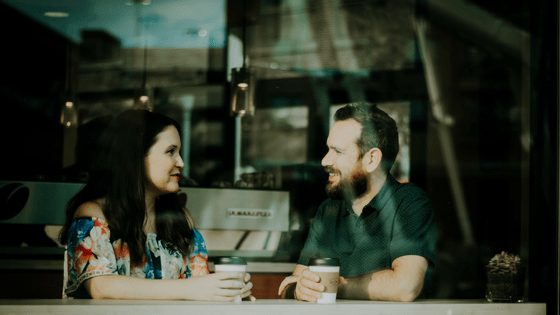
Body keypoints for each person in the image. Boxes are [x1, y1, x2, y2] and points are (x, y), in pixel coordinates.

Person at [59, 109, 254, 301]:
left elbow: (200, 288)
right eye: (171, 152)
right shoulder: (94, 215)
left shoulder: (180, 220)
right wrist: (189, 289)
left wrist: (226, 290)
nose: (181, 162)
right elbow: (100, 286)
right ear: (135, 158)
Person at [278, 102, 437, 302]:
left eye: (338, 151)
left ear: (371, 160)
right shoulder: (328, 210)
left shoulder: (410, 203)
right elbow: (293, 283)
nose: (325, 161)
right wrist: (297, 289)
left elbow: (405, 287)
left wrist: (334, 286)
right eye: (328, 149)